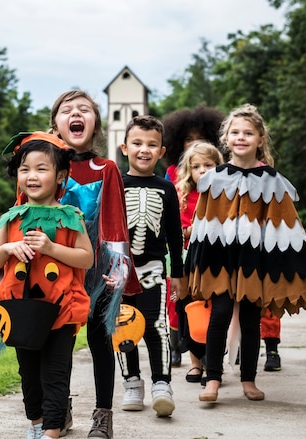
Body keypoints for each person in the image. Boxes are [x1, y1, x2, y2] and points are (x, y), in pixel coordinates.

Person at [0, 90, 141, 439]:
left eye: (85, 110)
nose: (76, 114)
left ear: (95, 123)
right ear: (56, 123)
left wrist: (118, 269)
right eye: (67, 110)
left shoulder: (104, 168)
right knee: (43, 348)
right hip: (44, 277)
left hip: (94, 273)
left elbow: (113, 220)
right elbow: (17, 218)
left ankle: (102, 414)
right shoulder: (38, 163)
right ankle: (57, 415)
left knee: (98, 343)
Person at [182, 103, 306, 403]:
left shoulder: (272, 181)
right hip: (220, 260)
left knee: (249, 317)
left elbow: (286, 227)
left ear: (260, 139)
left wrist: (288, 264)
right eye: (235, 132)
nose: (241, 137)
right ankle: (213, 378)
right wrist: (196, 263)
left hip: (253, 262)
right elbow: (203, 224)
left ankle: (248, 379)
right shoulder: (214, 179)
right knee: (219, 315)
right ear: (226, 138)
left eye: (248, 133)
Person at [0, 132, 94, 439]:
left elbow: (86, 258)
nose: (32, 176)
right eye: (24, 169)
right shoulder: (11, 218)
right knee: (29, 374)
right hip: (21, 312)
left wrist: (50, 248)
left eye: (41, 168)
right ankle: (36, 423)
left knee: (55, 374)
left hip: (61, 310)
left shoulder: (70, 217)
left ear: (61, 175)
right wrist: (7, 250)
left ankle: (52, 431)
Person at [115, 115, 183, 418]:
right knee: (123, 326)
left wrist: (177, 273)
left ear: (161, 151)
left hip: (153, 269)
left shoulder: (166, 189)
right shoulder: (116, 184)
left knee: (157, 328)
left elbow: (175, 235)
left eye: (151, 145)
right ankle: (132, 383)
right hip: (120, 271)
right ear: (124, 147)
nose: (144, 150)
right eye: (137, 143)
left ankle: (161, 383)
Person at [161, 105, 226, 370]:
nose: (195, 143)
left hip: (210, 254)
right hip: (182, 252)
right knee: (175, 299)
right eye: (189, 138)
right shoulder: (174, 174)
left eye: (201, 138)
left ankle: (205, 348)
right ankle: (176, 345)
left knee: (205, 299)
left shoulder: (218, 178)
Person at [172, 142, 223, 383]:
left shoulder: (224, 194)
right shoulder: (183, 195)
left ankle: (213, 364)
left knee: (215, 314)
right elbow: (178, 230)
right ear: (189, 170)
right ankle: (195, 364)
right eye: (196, 166)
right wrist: (193, 229)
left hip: (216, 264)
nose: (202, 170)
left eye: (209, 165)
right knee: (190, 311)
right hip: (189, 264)